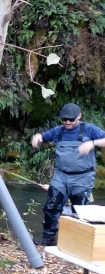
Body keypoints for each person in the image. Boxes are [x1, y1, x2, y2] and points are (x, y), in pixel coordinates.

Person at [30, 103, 105, 246]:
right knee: (51, 206)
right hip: (61, 175)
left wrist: (93, 143)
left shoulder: (89, 129)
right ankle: (49, 239)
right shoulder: (59, 131)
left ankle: (78, 243)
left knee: (80, 210)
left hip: (83, 177)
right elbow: (43, 136)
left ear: (79, 116)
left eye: (71, 119)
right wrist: (38, 137)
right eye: (64, 120)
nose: (67, 122)